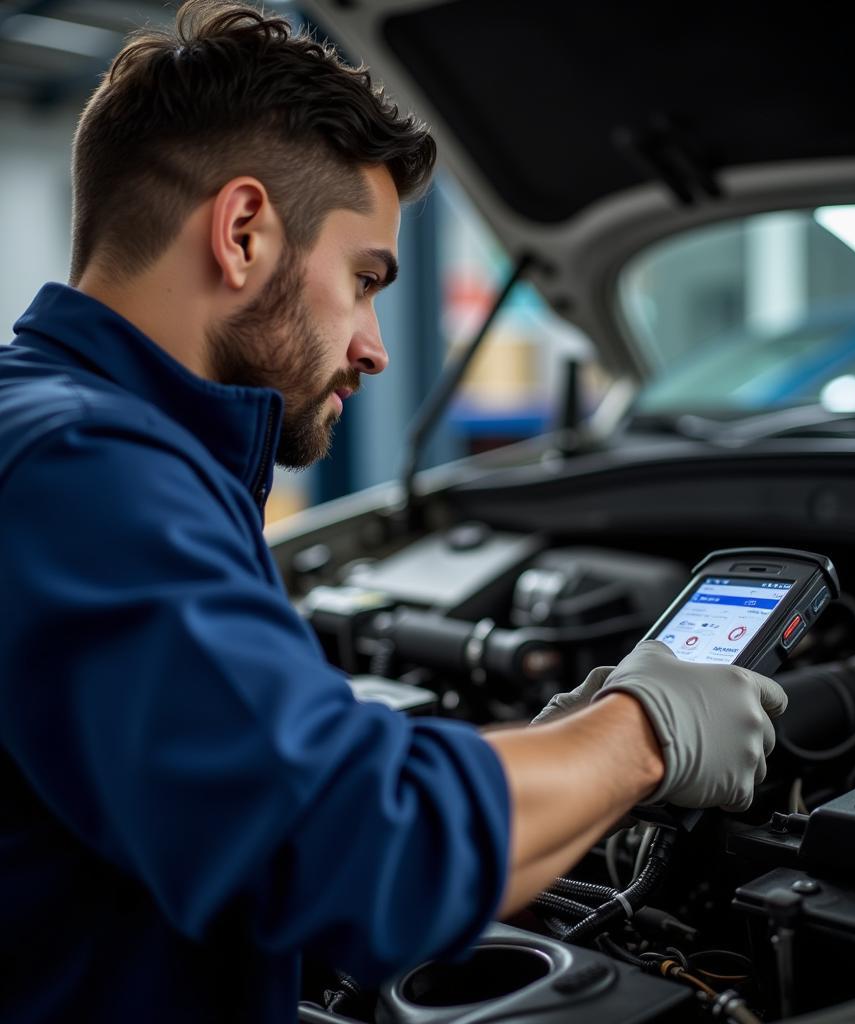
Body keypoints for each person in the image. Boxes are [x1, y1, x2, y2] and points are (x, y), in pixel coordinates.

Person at [0, 3, 787, 1021]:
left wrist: (547, 759)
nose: (374, 344)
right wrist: (647, 730)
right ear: (242, 232)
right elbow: (348, 853)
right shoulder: (83, 466)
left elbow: (231, 785)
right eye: (365, 279)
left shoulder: (66, 431)